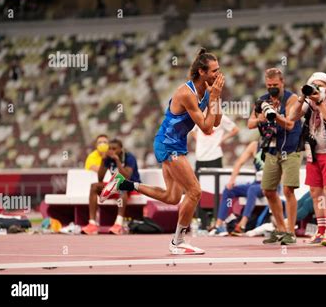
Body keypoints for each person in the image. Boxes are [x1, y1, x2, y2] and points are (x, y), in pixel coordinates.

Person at [100, 48, 224, 255]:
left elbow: (215, 123)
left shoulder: (208, 90)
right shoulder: (186, 93)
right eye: (214, 71)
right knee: (195, 191)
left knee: (172, 197)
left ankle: (124, 183)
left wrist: (216, 98)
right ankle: (178, 242)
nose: (218, 75)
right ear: (202, 72)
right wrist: (213, 100)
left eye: (218, 70)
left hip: (175, 144)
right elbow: (205, 127)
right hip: (168, 144)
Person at [290, 72, 326, 247]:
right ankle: (320, 230)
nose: (316, 89)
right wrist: (301, 99)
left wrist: (320, 102)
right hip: (313, 153)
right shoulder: (309, 103)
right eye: (313, 85)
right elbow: (292, 117)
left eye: (320, 85)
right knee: (315, 192)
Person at [248, 68, 302, 245]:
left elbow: (290, 125)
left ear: (282, 83)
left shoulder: (291, 99)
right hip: (271, 150)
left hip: (291, 148)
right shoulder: (262, 100)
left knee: (288, 190)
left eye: (275, 85)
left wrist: (274, 115)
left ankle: (291, 232)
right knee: (268, 190)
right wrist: (261, 118)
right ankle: (280, 229)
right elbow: (250, 123)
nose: (272, 88)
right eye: (269, 85)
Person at [82, 138, 141, 235]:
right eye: (110, 149)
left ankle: (118, 223)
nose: (112, 151)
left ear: (121, 149)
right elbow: (100, 179)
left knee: (122, 186)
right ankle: (92, 224)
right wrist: (103, 161)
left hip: (132, 185)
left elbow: (126, 177)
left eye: (114, 149)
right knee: (94, 186)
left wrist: (117, 161)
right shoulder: (108, 158)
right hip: (116, 185)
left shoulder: (129, 157)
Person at [209, 140, 265, 236]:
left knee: (252, 190)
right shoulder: (255, 145)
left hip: (270, 184)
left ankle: (242, 225)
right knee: (229, 190)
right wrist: (232, 180)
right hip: (256, 183)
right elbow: (239, 162)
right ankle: (219, 225)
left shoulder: (278, 143)